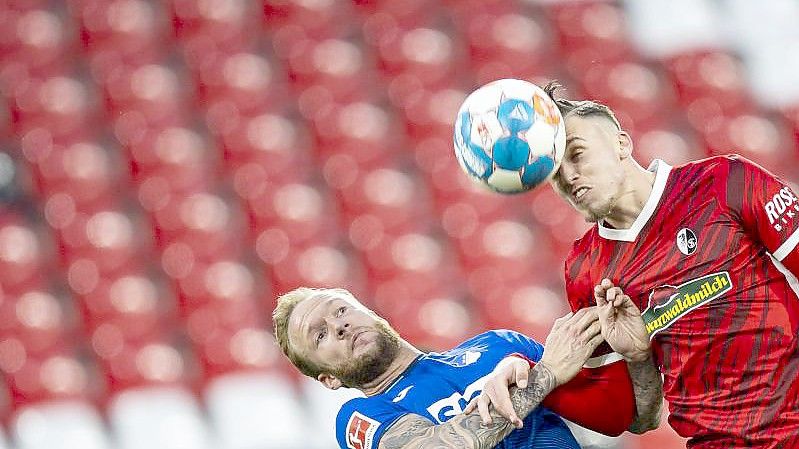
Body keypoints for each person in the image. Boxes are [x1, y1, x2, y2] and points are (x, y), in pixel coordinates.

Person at [473, 81, 799, 449]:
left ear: (622, 144)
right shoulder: (586, 271)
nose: (568, 176)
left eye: (577, 154)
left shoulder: (724, 182)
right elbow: (640, 418)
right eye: (553, 171)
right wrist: (636, 357)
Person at [272, 287, 639, 449]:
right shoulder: (362, 416)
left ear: (368, 309)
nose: (339, 325)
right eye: (319, 335)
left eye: (340, 309)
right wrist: (545, 375)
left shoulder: (499, 346)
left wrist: (632, 355)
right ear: (329, 379)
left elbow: (634, 417)